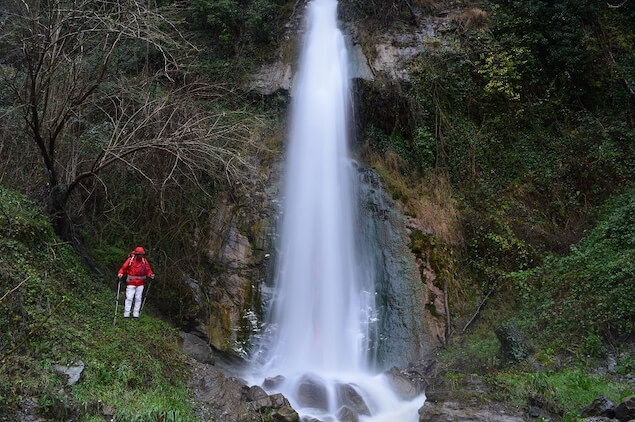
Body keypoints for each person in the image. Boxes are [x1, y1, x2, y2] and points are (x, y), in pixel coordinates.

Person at [117, 246, 155, 318]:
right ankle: (126, 314)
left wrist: (151, 275)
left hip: (141, 283)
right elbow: (123, 267)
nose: (140, 256)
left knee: (138, 298)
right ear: (136, 254)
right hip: (131, 282)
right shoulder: (130, 260)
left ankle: (136, 314)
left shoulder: (144, 261)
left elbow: (148, 269)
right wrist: (120, 273)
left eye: (141, 254)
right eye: (139, 254)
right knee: (129, 298)